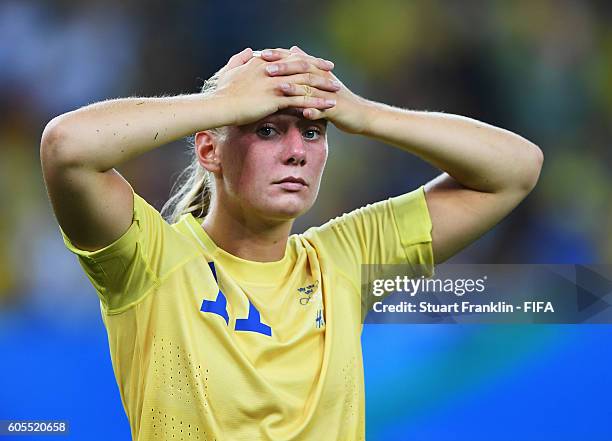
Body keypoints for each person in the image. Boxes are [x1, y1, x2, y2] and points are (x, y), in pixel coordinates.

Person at [40, 45, 543, 440]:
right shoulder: (152, 261)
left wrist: (362, 113)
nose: (297, 152)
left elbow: (516, 169)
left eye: (313, 131)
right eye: (267, 129)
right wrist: (223, 104)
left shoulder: (345, 258)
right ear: (210, 151)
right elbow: (67, 147)